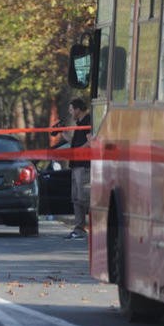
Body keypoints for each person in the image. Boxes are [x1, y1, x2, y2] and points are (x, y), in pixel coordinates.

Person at [63, 98, 91, 240]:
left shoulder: (88, 121)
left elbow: (91, 140)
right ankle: (78, 229)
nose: (70, 112)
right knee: (76, 199)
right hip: (76, 165)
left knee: (84, 199)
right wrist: (63, 134)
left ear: (78, 109)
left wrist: (79, 150)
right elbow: (75, 142)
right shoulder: (79, 123)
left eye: (71, 109)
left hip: (84, 166)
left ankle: (85, 228)